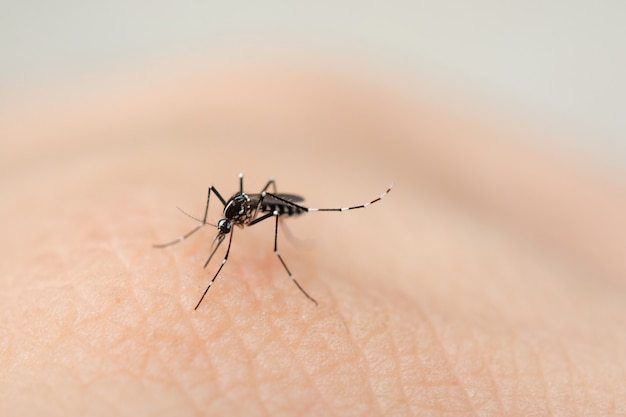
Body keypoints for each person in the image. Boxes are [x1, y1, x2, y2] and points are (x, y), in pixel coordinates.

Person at [1, 61, 625, 416]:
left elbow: (258, 206)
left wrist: (272, 233)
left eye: (224, 227)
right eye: (222, 226)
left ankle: (295, 255)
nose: (225, 230)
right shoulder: (226, 207)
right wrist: (200, 230)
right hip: (260, 191)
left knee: (265, 207)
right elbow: (223, 212)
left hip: (284, 203)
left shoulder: (256, 209)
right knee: (237, 192)